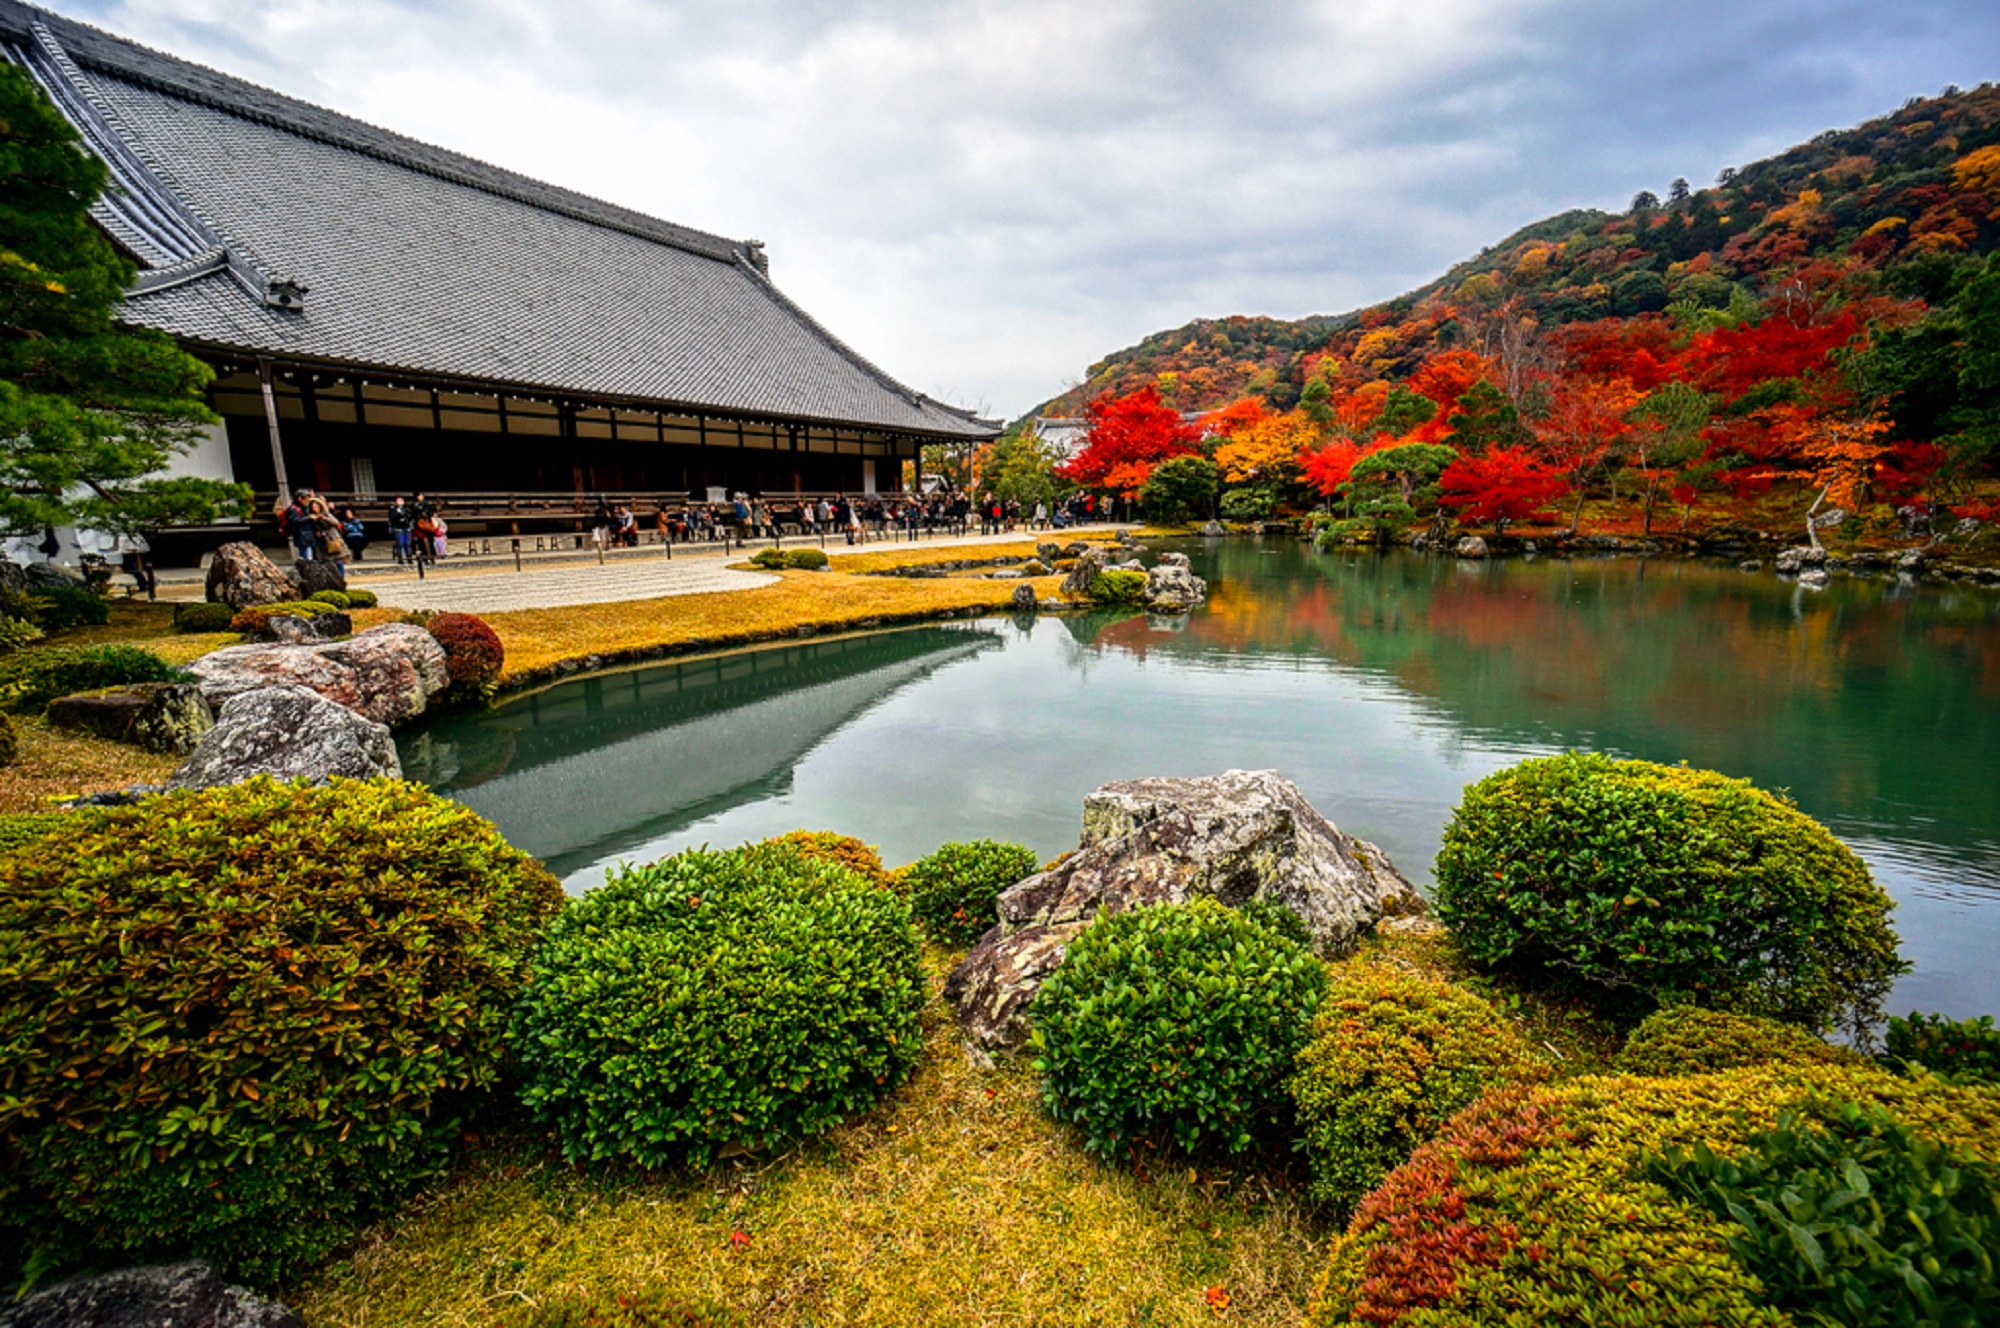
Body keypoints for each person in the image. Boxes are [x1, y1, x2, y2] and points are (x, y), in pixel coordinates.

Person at [278, 488, 317, 562]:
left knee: (309, 558)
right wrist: (309, 518)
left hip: (307, 536)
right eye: (306, 499)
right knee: (307, 559)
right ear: (300, 498)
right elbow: (295, 522)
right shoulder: (293, 509)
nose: (307, 501)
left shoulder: (303, 508)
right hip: (302, 536)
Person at [386, 495, 414, 564]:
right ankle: (400, 558)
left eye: (401, 500)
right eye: (398, 500)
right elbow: (392, 518)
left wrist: (407, 520)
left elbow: (410, 516)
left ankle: (409, 557)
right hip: (398, 528)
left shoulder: (406, 509)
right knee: (400, 543)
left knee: (407, 543)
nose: (400, 502)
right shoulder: (393, 509)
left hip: (406, 527)